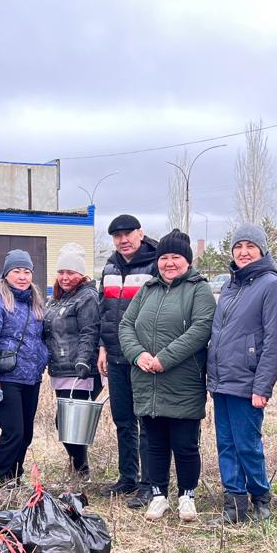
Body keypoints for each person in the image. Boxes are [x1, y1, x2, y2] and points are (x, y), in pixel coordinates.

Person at [118, 230, 215, 522]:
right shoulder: (148, 289)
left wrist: (164, 359)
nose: (169, 263)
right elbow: (126, 325)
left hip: (182, 381)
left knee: (185, 444)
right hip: (148, 380)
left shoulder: (199, 289)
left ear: (187, 260)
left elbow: (200, 329)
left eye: (175, 257)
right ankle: (158, 494)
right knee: (154, 442)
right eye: (164, 258)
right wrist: (138, 355)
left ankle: (187, 494)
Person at [206, 223, 277, 524]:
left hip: (248, 381)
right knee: (226, 443)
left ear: (262, 250)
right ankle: (234, 504)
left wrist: (263, 386)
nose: (243, 252)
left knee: (247, 444)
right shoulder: (230, 286)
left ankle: (260, 497)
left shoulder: (271, 286)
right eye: (238, 247)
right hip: (222, 380)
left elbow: (274, 340)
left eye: (249, 247)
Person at [97, 214, 158, 502]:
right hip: (115, 355)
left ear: (140, 234)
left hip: (143, 357)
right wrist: (102, 346)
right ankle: (128, 477)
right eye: (117, 236)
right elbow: (103, 310)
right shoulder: (109, 266)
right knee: (123, 420)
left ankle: (149, 482)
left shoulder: (156, 263)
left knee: (146, 421)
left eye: (128, 234)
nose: (123, 240)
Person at [0, 249, 49, 485]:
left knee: (26, 434)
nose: (22, 276)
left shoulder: (35, 301)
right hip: (6, 377)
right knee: (14, 431)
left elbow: (40, 338)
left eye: (27, 271)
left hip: (31, 377)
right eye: (17, 271)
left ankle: (14, 479)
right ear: (6, 274)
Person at [44, 242, 100, 481]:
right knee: (66, 423)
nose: (65, 277)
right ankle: (79, 467)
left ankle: (81, 469)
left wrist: (84, 362)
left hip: (79, 371)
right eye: (61, 272)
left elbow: (90, 331)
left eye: (71, 272)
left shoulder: (87, 297)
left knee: (69, 423)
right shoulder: (58, 298)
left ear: (81, 274)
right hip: (60, 369)